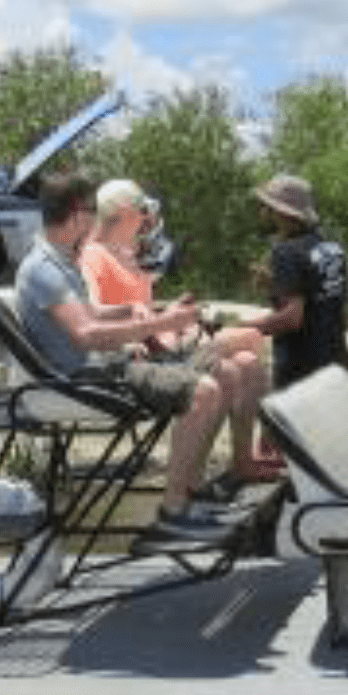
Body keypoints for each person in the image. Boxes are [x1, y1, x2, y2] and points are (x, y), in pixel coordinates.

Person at [13, 174, 255, 543]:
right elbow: (86, 335)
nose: (97, 223)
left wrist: (128, 310)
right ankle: (173, 511)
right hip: (85, 378)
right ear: (78, 215)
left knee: (223, 372)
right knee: (204, 390)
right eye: (92, 214)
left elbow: (88, 313)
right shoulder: (45, 269)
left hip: (102, 368)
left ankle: (191, 488)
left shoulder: (58, 260)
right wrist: (163, 322)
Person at [80, 179, 280, 485]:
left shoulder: (125, 254)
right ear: (123, 211)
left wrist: (171, 312)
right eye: (141, 211)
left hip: (162, 347)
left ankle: (239, 462)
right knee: (250, 338)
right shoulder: (93, 255)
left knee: (246, 363)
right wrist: (151, 322)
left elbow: (141, 308)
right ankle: (196, 478)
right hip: (140, 357)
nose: (146, 219)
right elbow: (92, 311)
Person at [240, 174, 348, 391]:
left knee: (280, 423)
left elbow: (292, 318)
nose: (263, 213)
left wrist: (241, 328)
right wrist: (275, 282)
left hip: (301, 369)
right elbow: (317, 296)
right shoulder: (331, 248)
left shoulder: (286, 252)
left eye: (268, 207)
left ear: (281, 212)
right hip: (337, 362)